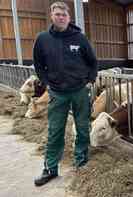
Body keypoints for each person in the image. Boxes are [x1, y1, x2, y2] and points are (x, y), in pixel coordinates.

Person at [33, 1, 97, 186]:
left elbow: (93, 61)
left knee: (83, 128)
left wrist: (89, 81)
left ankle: (81, 163)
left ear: (69, 17)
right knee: (55, 131)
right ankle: (51, 169)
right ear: (52, 16)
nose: (61, 17)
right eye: (57, 14)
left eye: (64, 15)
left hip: (79, 91)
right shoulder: (43, 39)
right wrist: (47, 84)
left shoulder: (80, 38)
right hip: (58, 93)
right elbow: (38, 65)